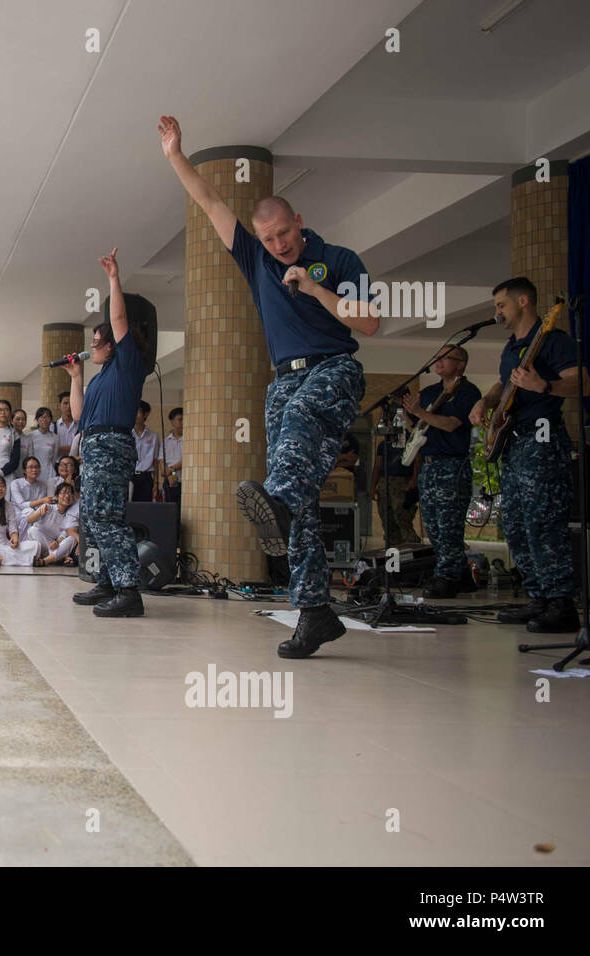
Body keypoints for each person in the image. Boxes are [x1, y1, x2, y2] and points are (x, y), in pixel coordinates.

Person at [160, 114, 378, 655]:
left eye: (284, 234)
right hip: (282, 382)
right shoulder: (256, 259)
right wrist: (175, 157)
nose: (279, 244)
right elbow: (212, 202)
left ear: (299, 221)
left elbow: (369, 322)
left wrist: (312, 288)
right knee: (299, 503)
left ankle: (273, 501)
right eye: (269, 238)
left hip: (334, 369)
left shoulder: (339, 260)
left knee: (295, 446)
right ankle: (315, 611)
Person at [470, 276, 590, 632]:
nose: (497, 313)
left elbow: (582, 382)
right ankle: (538, 596)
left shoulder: (554, 341)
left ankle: (561, 603)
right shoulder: (511, 347)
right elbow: (504, 383)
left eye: (501, 306)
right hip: (515, 443)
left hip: (543, 441)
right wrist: (487, 400)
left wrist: (545, 385)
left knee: (543, 523)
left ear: (524, 302)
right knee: (517, 524)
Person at [64, 248, 149, 617]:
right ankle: (110, 581)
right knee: (94, 517)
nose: (93, 346)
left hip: (113, 445)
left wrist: (113, 278)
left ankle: (129, 589)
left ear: (112, 344)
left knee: (107, 518)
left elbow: (117, 317)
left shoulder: (127, 364)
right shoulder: (100, 379)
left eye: (97, 341)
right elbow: (80, 415)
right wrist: (76, 379)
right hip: (96, 445)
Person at [401, 344, 481, 595]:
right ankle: (461, 574)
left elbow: (450, 424)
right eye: (438, 357)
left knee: (449, 524)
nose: (439, 362)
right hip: (429, 465)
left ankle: (447, 576)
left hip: (452, 465)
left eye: (447, 358)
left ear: (460, 365)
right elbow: (422, 429)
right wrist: (409, 420)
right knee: (433, 526)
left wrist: (420, 412)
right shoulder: (429, 392)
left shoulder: (467, 392)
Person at [369, 432, 419, 549]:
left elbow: (417, 460)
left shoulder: (410, 440)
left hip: (402, 481)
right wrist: (372, 486)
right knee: (386, 515)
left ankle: (411, 546)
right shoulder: (383, 445)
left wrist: (414, 479)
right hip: (384, 482)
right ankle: (393, 548)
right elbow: (377, 466)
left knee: (402, 515)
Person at [29, 482, 81, 566]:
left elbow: (64, 534)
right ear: (56, 496)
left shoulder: (71, 514)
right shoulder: (48, 507)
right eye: (63, 493)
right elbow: (29, 520)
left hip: (55, 545)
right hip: (41, 542)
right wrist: (38, 513)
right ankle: (58, 557)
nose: (67, 496)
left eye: (70, 493)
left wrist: (57, 542)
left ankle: (46, 560)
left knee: (72, 539)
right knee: (33, 530)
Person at [131, 401, 161, 502]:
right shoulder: (127, 435)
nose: (135, 415)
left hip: (146, 477)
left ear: (146, 414)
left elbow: (155, 460)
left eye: (138, 412)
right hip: (130, 476)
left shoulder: (153, 436)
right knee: (129, 507)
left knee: (144, 508)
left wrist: (156, 483)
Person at [161, 407, 183, 506]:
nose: (183, 423)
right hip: (169, 482)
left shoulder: (191, 440)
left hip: (185, 483)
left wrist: (172, 469)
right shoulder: (166, 442)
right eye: (180, 420)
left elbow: (188, 460)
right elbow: (162, 464)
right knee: (169, 513)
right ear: (172, 422)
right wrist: (169, 475)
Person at [55, 392, 78, 458]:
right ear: (59, 405)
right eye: (65, 403)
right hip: (58, 465)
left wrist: (60, 449)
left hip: (75, 464)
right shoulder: (53, 426)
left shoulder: (80, 426)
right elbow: (51, 449)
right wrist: (73, 448)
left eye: (71, 403)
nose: (69, 406)